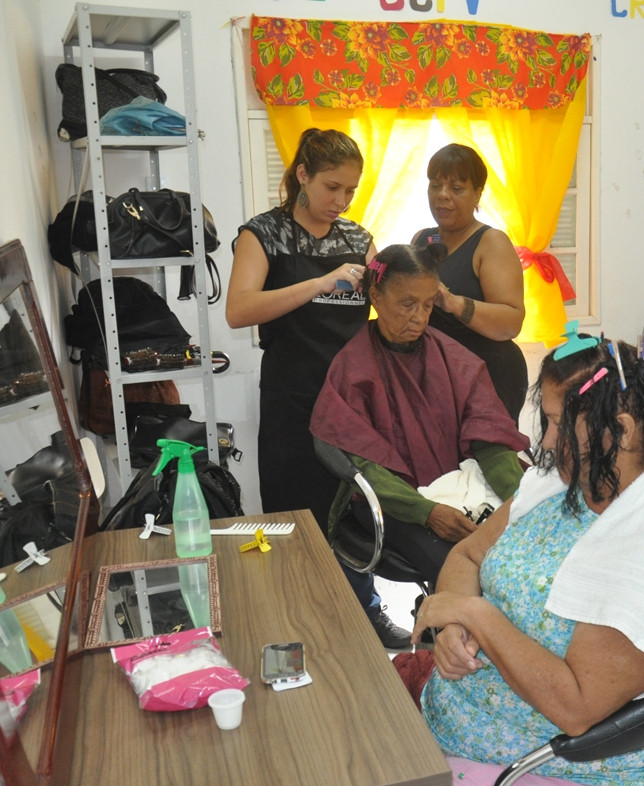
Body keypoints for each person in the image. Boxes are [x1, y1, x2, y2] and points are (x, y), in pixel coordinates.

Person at [360, 337, 644, 786]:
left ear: (617, 431)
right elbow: (468, 556)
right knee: (343, 770)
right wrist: (455, 630)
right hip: (476, 714)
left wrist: (477, 615)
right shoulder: (566, 480)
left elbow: (575, 706)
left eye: (556, 423)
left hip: (571, 764)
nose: (544, 443)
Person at [225, 128, 409, 647]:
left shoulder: (357, 238)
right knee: (295, 512)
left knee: (356, 507)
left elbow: (388, 309)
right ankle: (295, 620)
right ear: (302, 175)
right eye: (332, 187)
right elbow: (239, 310)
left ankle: (364, 613)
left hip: (354, 403)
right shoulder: (263, 234)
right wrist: (319, 283)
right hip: (292, 397)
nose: (341, 201)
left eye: (350, 190)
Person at [310, 242, 530, 590]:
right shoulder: (352, 369)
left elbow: (489, 439)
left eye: (428, 305)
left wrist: (520, 501)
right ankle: (450, 639)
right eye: (407, 304)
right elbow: (365, 468)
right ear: (377, 298)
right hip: (391, 502)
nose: (420, 318)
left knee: (518, 550)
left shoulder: (453, 358)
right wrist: (427, 512)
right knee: (460, 569)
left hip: (458, 489)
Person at [413, 143, 529, 422]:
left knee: (481, 464)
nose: (443, 196)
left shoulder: (491, 242)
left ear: (477, 193)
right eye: (435, 185)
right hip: (437, 379)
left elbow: (512, 321)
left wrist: (454, 303)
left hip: (488, 377)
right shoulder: (422, 239)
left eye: (456, 188)